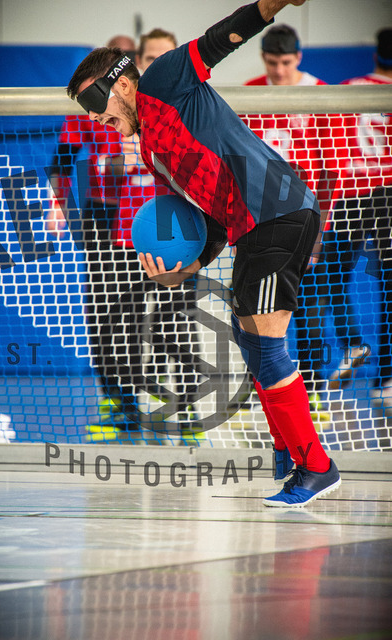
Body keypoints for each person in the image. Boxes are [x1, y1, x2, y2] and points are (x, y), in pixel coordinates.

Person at [67, 0, 341, 507]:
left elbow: (225, 34)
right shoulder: (150, 150)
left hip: (278, 209)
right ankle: (289, 449)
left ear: (121, 85)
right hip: (250, 227)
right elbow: (209, 217)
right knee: (250, 338)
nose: (96, 119)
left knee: (266, 344)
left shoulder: (162, 80)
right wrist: (190, 266)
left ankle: (316, 466)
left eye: (96, 105)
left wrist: (274, 3)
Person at [47, 31, 178, 440]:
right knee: (108, 316)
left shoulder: (159, 104)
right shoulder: (90, 109)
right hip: (106, 219)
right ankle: (118, 402)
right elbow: (62, 161)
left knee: (168, 314)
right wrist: (58, 205)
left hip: (158, 217)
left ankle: (175, 398)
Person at [243, 24, 334, 427]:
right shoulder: (249, 93)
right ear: (262, 58)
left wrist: (320, 231)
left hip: (306, 222)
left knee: (310, 313)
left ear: (298, 57)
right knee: (252, 314)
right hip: (261, 224)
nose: (278, 71)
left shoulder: (320, 94)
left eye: (285, 62)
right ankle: (263, 397)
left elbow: (331, 170)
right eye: (271, 62)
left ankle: (313, 394)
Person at [323, 28, 392, 413]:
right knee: (388, 287)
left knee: (333, 277)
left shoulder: (349, 88)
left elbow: (333, 147)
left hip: (351, 192)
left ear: (376, 56)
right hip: (387, 193)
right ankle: (386, 378)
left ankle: (353, 344)